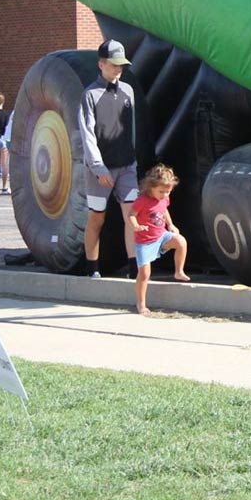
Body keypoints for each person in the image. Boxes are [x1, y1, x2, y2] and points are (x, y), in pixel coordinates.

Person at [81, 40, 139, 278]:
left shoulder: (128, 91)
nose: (118, 69)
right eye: (114, 65)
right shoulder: (90, 95)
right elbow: (87, 133)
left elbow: (130, 128)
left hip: (127, 165)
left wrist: (133, 158)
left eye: (121, 65)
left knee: (132, 215)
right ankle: (91, 267)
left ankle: (135, 268)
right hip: (101, 168)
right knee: (97, 217)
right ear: (101, 64)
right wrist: (98, 167)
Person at [127, 164, 191, 315]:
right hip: (145, 241)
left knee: (181, 241)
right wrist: (135, 226)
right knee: (144, 274)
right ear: (151, 187)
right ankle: (141, 304)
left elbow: (164, 210)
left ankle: (178, 271)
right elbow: (131, 214)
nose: (165, 195)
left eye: (168, 192)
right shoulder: (142, 200)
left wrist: (171, 224)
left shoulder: (164, 199)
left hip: (161, 236)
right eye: (161, 191)